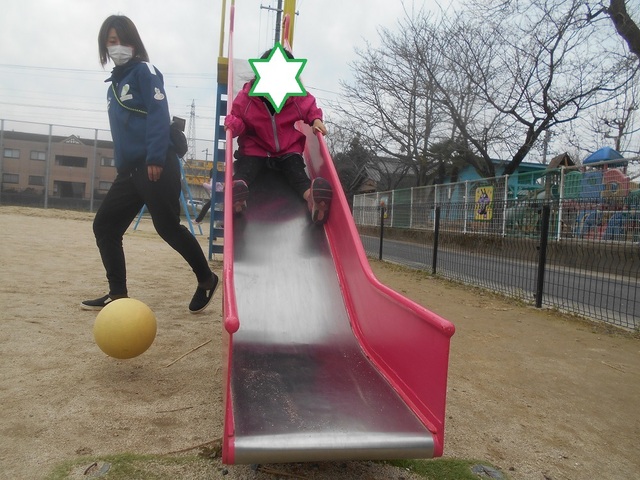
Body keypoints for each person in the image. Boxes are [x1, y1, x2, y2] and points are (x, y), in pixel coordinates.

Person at [82, 15, 218, 314]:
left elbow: (158, 112)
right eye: (111, 41)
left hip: (155, 163)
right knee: (105, 226)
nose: (117, 46)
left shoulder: (145, 71)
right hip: (129, 170)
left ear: (134, 43)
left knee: (167, 227)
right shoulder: (112, 87)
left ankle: (207, 279)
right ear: (104, 46)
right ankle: (118, 294)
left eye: (123, 40)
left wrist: (155, 156)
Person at [224, 47, 333, 224]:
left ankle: (312, 199)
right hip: (256, 146)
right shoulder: (247, 99)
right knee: (247, 169)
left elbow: (309, 106)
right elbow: (238, 118)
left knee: (296, 172)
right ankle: (237, 195)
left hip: (286, 148)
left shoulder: (294, 97)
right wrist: (233, 125)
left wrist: (315, 120)